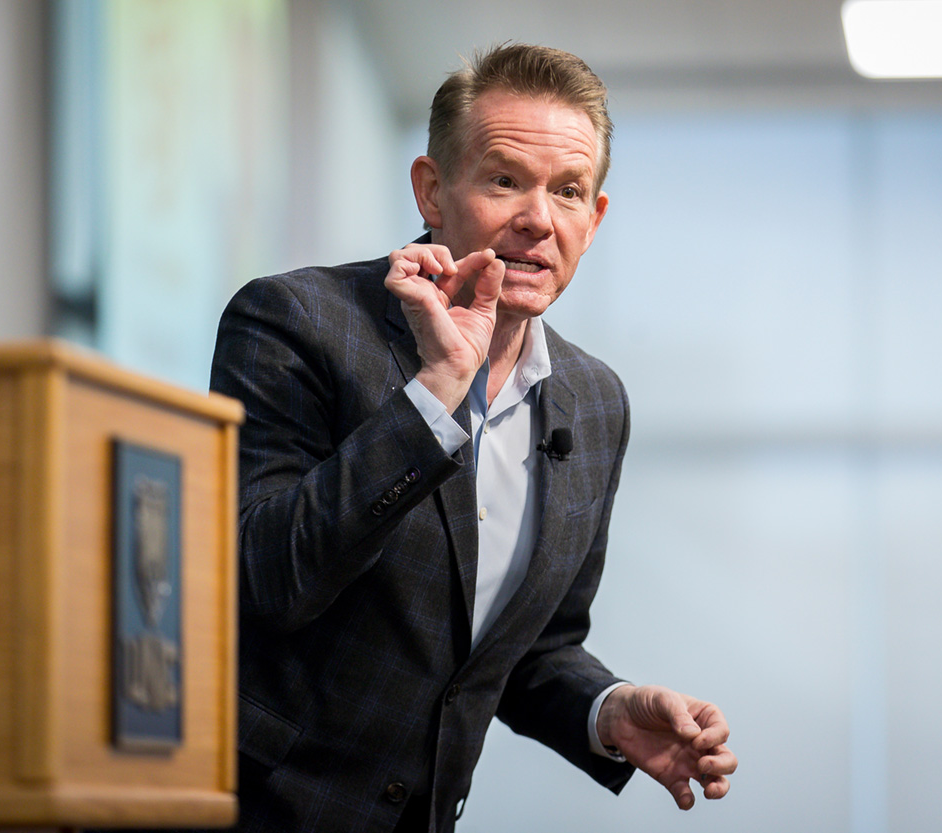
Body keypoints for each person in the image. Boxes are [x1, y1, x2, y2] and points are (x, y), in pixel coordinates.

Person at [209, 43, 737, 833]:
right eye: (504, 180)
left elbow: (528, 648)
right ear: (431, 190)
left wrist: (606, 709)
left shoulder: (596, 403)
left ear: (593, 220)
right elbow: (265, 581)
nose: (538, 217)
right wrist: (435, 393)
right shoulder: (296, 322)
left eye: (568, 191)